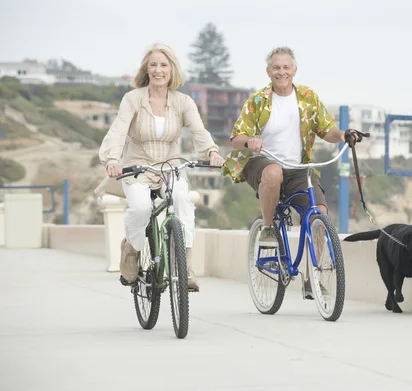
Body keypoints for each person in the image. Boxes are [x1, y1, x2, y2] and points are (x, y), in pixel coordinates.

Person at [222, 46, 357, 298]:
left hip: (298, 167)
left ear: (294, 70)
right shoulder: (258, 100)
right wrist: (250, 141)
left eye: (286, 67)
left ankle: (312, 275)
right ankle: (268, 228)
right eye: (276, 67)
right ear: (268, 71)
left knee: (320, 212)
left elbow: (326, 129)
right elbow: (236, 137)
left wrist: (342, 135)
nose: (281, 72)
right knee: (273, 173)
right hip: (262, 162)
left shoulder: (307, 97)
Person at [98, 43, 225, 291]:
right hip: (137, 168)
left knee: (182, 200)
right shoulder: (133, 99)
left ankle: (186, 266)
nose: (158, 70)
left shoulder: (183, 102)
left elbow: (199, 131)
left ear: (172, 70)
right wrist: (113, 160)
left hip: (170, 167)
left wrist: (211, 151)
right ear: (147, 68)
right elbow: (118, 131)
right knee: (142, 207)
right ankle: (131, 250)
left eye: (163, 65)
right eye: (153, 64)